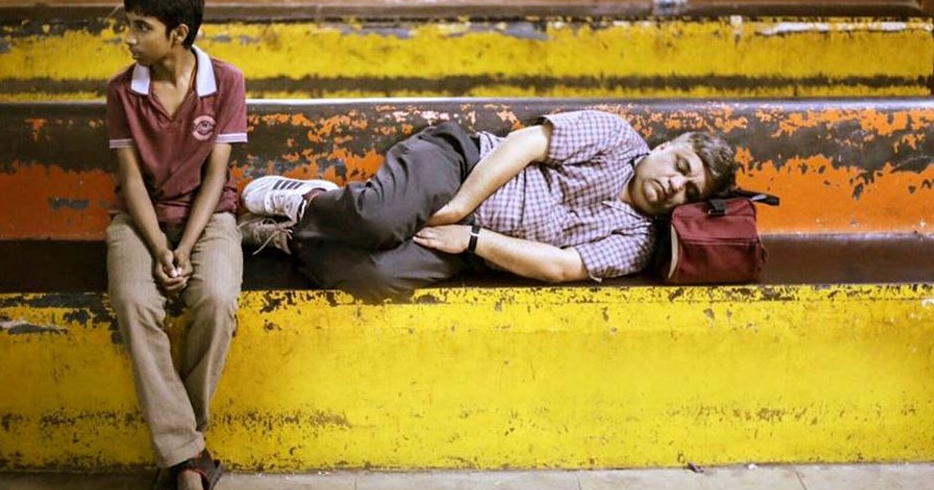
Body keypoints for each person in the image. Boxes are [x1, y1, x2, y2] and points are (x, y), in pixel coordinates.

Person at [239, 110, 736, 301]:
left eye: (690, 192)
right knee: (380, 218)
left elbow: (562, 266)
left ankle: (290, 235)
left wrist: (473, 238)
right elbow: (525, 144)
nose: (675, 186)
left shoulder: (639, 240)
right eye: (681, 167)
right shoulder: (616, 136)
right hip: (460, 166)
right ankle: (310, 200)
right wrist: (460, 206)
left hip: (472, 248)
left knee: (376, 275)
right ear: (667, 145)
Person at [104, 0, 246, 490]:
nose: (129, 37)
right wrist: (160, 247)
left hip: (208, 219)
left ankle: (178, 452)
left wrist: (185, 246)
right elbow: (130, 181)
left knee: (216, 299)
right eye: (128, 25)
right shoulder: (122, 91)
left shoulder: (226, 81)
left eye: (142, 27)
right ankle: (191, 458)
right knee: (134, 303)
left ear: (178, 33)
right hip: (139, 221)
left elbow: (216, 177)